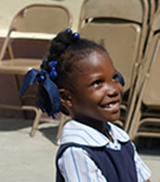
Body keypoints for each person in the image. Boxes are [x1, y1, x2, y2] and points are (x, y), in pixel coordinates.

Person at [19, 29, 152, 182]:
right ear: (66, 97)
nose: (114, 89)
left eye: (114, 77)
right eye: (97, 83)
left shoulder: (119, 138)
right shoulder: (77, 152)